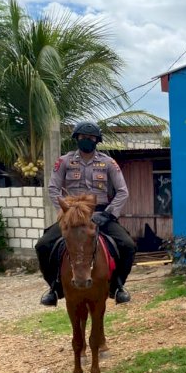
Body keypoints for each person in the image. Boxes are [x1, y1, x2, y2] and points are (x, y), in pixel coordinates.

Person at [35, 121, 136, 306]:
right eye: (82, 137)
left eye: (90, 138)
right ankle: (54, 288)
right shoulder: (64, 161)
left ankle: (118, 286)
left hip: (100, 213)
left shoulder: (108, 163)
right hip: (72, 215)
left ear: (97, 140)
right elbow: (53, 188)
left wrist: (108, 214)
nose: (86, 140)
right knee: (43, 245)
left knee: (128, 245)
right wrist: (66, 211)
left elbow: (123, 191)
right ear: (76, 139)